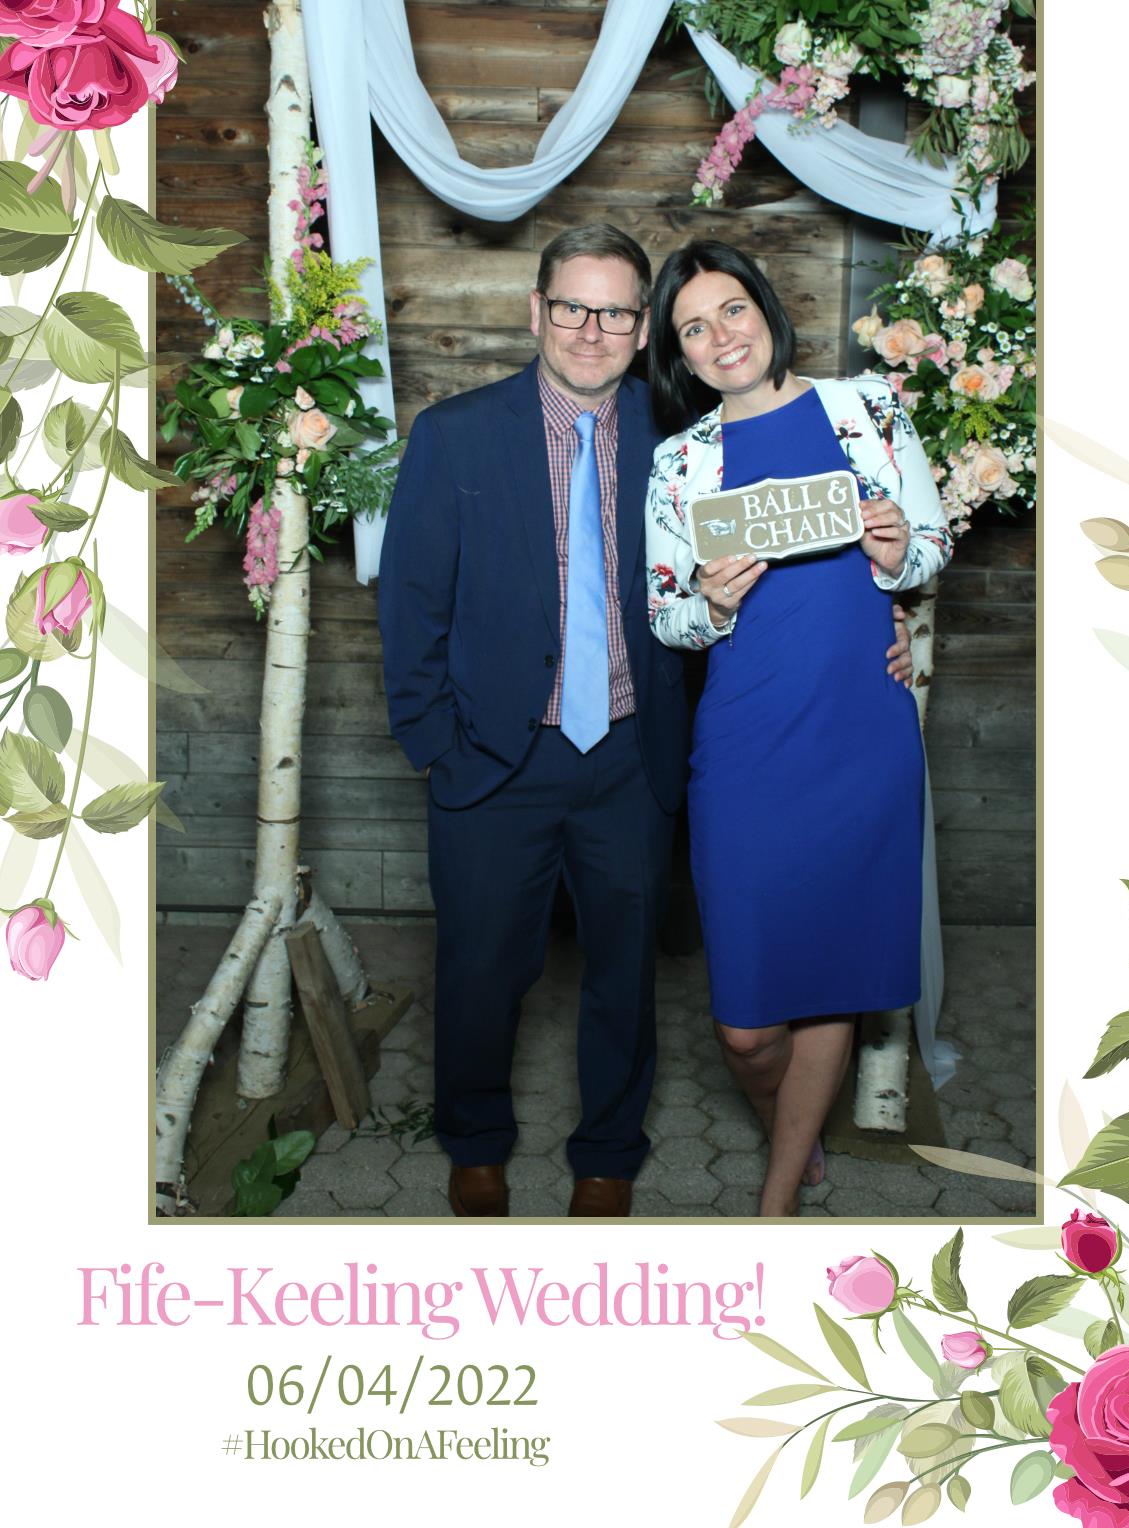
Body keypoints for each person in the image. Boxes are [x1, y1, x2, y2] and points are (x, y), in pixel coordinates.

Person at [378, 223, 913, 1220]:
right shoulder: (455, 435)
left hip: (632, 755)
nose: (592, 330)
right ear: (536, 312)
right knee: (482, 968)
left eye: (617, 312)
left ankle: (610, 1154)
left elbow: (819, 552)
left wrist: (893, 615)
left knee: (623, 975)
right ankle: (476, 1141)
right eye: (572, 308)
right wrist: (435, 747)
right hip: (494, 758)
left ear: (641, 331)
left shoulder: (685, 438)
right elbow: (411, 604)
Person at [644, 239, 952, 1218]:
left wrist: (899, 557)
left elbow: (931, 545)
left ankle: (778, 1195)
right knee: (746, 1029)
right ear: (680, 355)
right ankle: (791, 1122)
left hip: (861, 732)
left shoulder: (868, 410)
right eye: (694, 328)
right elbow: (665, 618)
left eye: (732, 310)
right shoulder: (680, 463)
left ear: (767, 309)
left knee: (835, 974)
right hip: (746, 745)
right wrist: (710, 601)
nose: (721, 337)